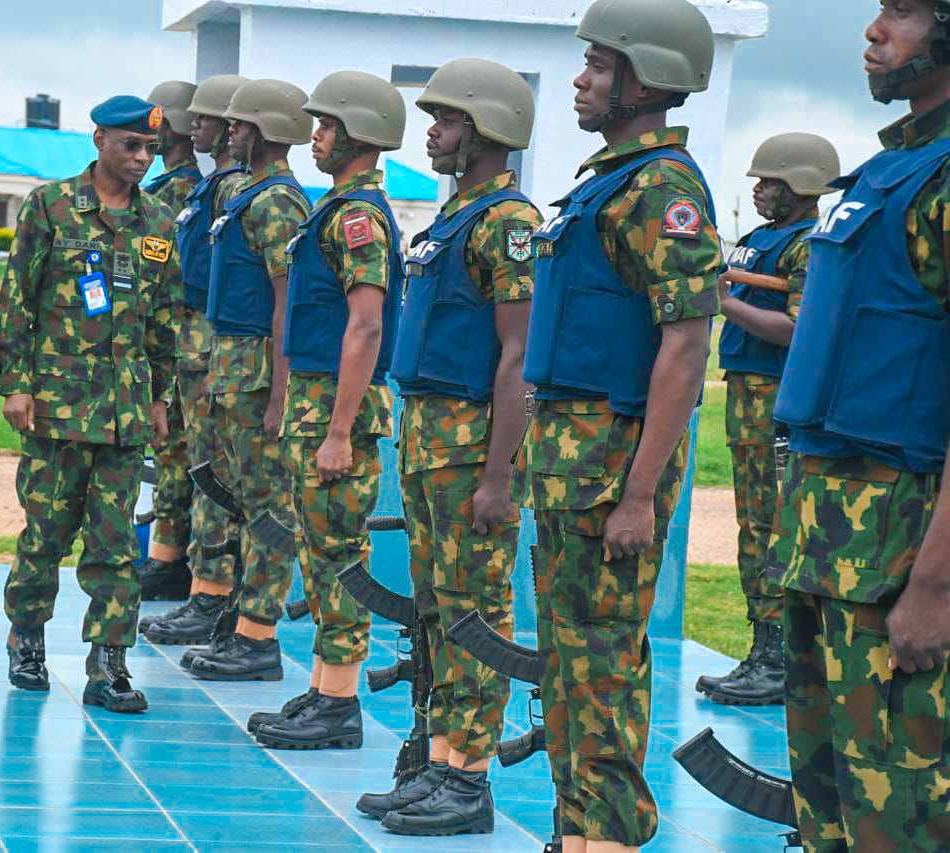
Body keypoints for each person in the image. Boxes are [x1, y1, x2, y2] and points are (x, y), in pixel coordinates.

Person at [522, 0, 722, 848]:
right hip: (574, 467)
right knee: (570, 668)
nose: (581, 80)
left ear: (648, 80)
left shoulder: (662, 189)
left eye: (600, 67)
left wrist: (639, 495)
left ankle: (605, 835)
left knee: (600, 669)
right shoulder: (608, 182)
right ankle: (576, 832)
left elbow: (686, 343)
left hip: (609, 473)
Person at [770, 1, 950, 848]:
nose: (875, 31)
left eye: (903, 11)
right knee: (829, 807)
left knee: (899, 812)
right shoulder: (886, 173)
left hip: (900, 551)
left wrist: (935, 587)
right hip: (826, 542)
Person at [357, 58, 540, 836]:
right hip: (431, 442)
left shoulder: (509, 223)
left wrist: (498, 473)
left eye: (447, 119)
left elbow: (518, 356)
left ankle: (467, 777)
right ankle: (437, 760)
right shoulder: (453, 218)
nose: (431, 131)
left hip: (472, 451)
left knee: (475, 613)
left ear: (488, 127)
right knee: (436, 610)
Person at [0, 95, 180, 714]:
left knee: (116, 544)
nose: (143, 158)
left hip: (126, 414)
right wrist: (15, 383)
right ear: (99, 140)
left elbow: (163, 320)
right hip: (58, 408)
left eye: (151, 148)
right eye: (131, 145)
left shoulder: (159, 222)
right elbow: (17, 299)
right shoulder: (51, 206)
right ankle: (27, 638)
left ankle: (109, 662)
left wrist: (160, 398)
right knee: (45, 533)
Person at [245, 70, 405, 750]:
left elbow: (365, 326)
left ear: (359, 133)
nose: (315, 136)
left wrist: (340, 431)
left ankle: (338, 703)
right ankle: (323, 688)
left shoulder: (358, 217)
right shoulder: (334, 209)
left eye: (327, 126)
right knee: (317, 553)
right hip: (315, 405)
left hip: (337, 413)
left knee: (338, 556)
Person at [694, 133, 840, 707]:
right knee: (753, 526)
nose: (758, 190)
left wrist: (726, 304)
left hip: (775, 404)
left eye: (770, 182)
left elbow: (799, 328)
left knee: (774, 529)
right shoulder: (758, 241)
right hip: (746, 401)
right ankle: (765, 648)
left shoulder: (809, 246)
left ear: (802, 185)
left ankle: (780, 658)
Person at [184, 79, 312, 682]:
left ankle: (258, 637)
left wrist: (281, 395)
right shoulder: (247, 195)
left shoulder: (279, 202)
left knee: (268, 510)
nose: (230, 130)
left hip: (260, 376)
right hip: (234, 370)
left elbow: (288, 302)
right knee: (239, 501)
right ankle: (238, 620)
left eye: (240, 123)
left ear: (266, 130)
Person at [141, 74, 252, 646]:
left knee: (211, 472)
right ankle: (181, 570)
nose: (210, 129)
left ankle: (209, 592)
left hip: (212, 353)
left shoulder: (230, 192)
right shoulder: (208, 189)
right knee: (184, 461)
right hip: (192, 349)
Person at [139, 79, 205, 601]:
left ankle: (170, 560)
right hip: (176, 339)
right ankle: (166, 557)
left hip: (183, 340)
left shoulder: (178, 192)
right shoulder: (171, 187)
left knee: (176, 451)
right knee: (171, 452)